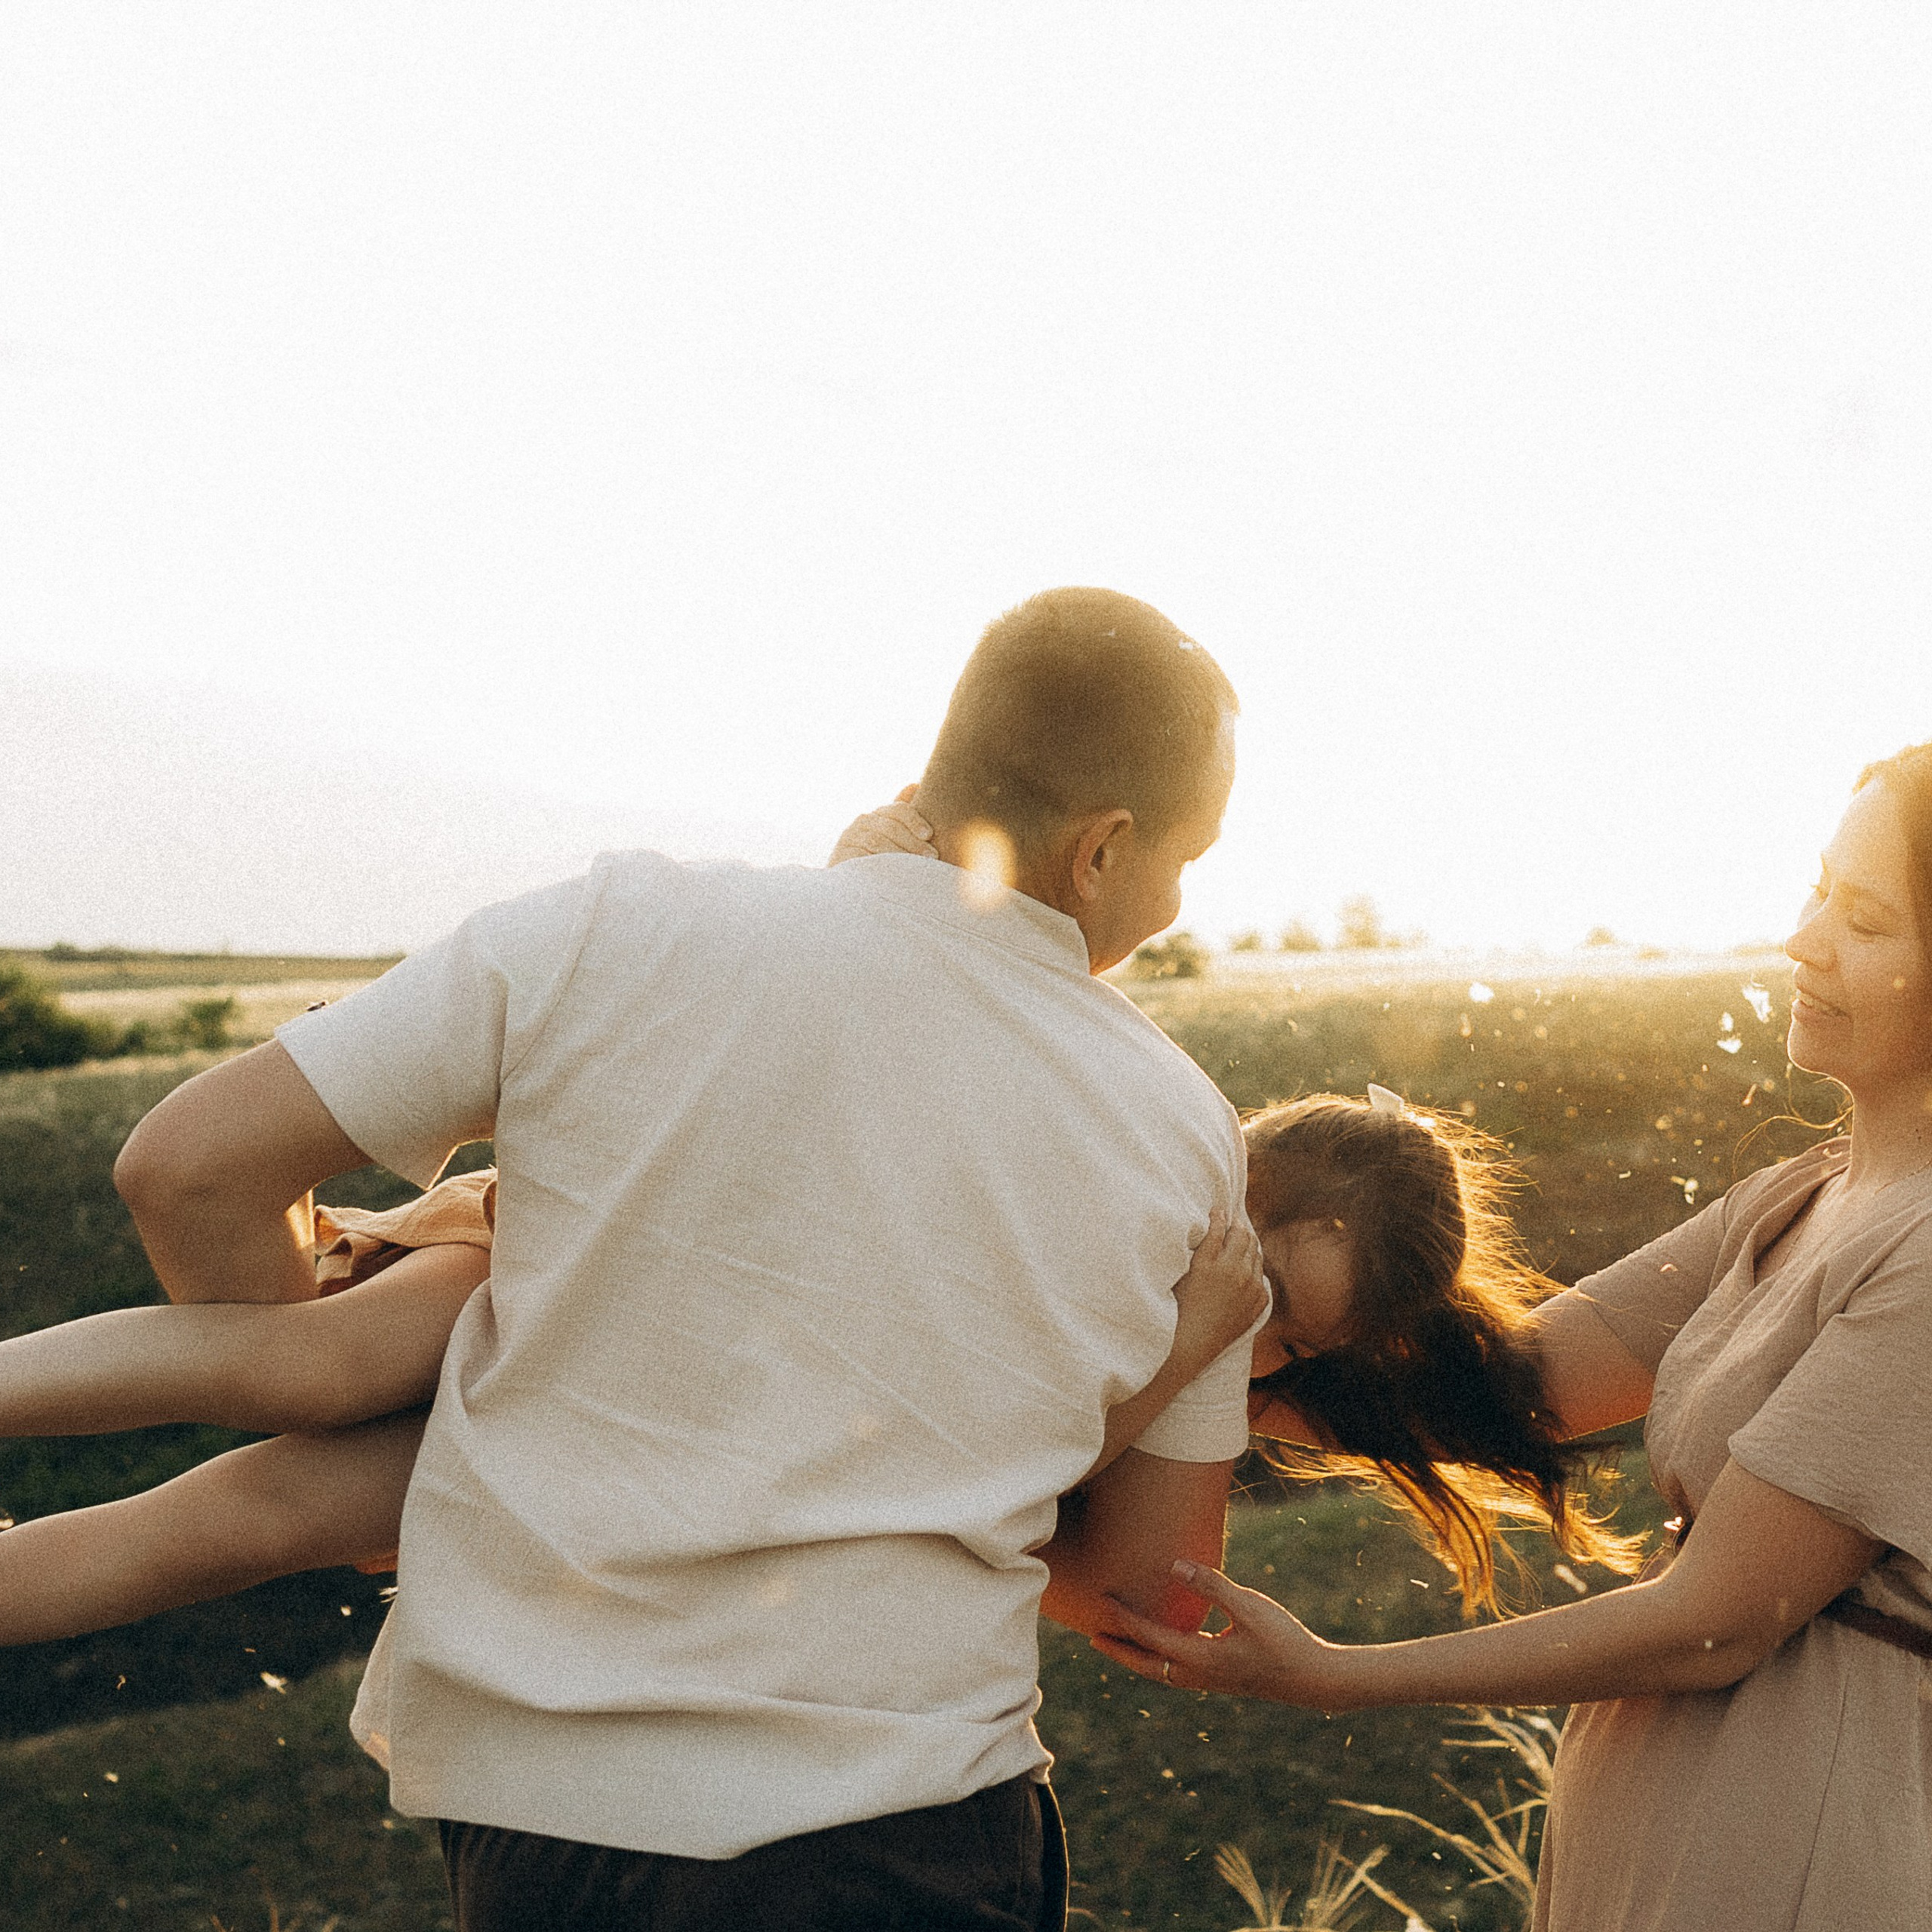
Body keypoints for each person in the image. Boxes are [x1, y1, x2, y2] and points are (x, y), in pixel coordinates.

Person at [105, 586, 1263, 1932]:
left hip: (536, 1833)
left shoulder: (610, 928)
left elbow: (183, 1172)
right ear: (1105, 847)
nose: (1178, 904)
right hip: (901, 1838)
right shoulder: (1178, 1128)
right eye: (1189, 858)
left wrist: (350, 1406)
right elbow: (1140, 1588)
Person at [1095, 740, 1932, 1932]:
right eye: (1817, 889)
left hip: (1799, 1817)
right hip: (1657, 1812)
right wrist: (1242, 1333)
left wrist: (1338, 1676)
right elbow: (1510, 1391)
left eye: (1865, 918)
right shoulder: (1800, 1197)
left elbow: (1719, 1620)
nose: (1804, 939)